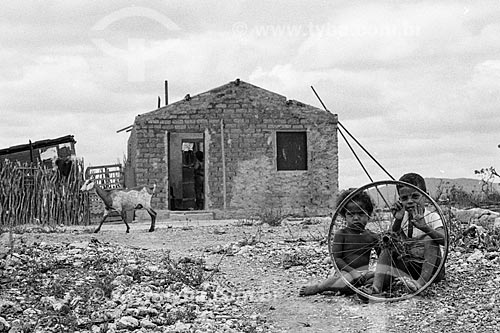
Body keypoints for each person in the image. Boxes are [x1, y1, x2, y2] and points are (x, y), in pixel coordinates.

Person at [370, 173, 445, 293]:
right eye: (404, 198)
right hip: (407, 268)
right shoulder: (402, 216)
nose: (409, 202)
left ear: (426, 196)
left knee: (430, 240)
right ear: (399, 200)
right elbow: (390, 238)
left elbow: (444, 240)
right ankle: (375, 287)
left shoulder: (432, 216)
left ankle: (420, 284)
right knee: (389, 242)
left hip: (431, 271)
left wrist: (426, 228)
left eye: (415, 196)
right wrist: (398, 219)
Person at [299, 189, 379, 296]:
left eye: (361, 213)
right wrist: (353, 272)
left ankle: (365, 288)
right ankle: (319, 287)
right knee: (341, 280)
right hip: (345, 272)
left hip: (363, 274)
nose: (356, 218)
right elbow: (337, 259)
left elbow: (382, 256)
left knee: (381, 277)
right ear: (344, 216)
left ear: (368, 215)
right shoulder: (341, 234)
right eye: (351, 214)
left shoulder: (372, 236)